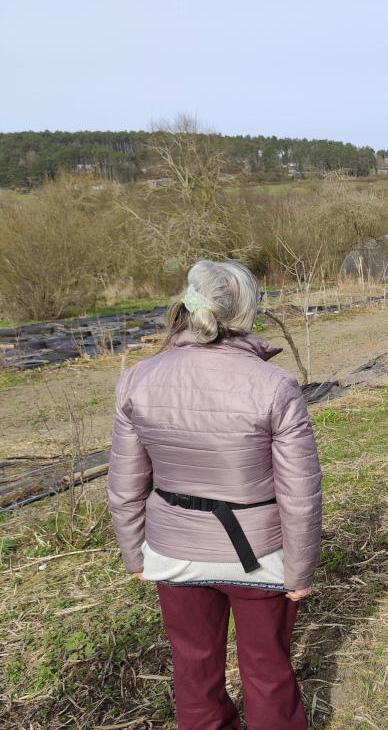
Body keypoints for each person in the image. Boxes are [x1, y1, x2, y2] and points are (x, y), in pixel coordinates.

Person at [107, 260, 323, 730]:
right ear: (248, 312)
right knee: (267, 671)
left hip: (174, 551)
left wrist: (134, 553)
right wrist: (300, 570)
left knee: (193, 671)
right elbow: (300, 494)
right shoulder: (275, 385)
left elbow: (124, 484)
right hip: (259, 555)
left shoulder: (138, 378)